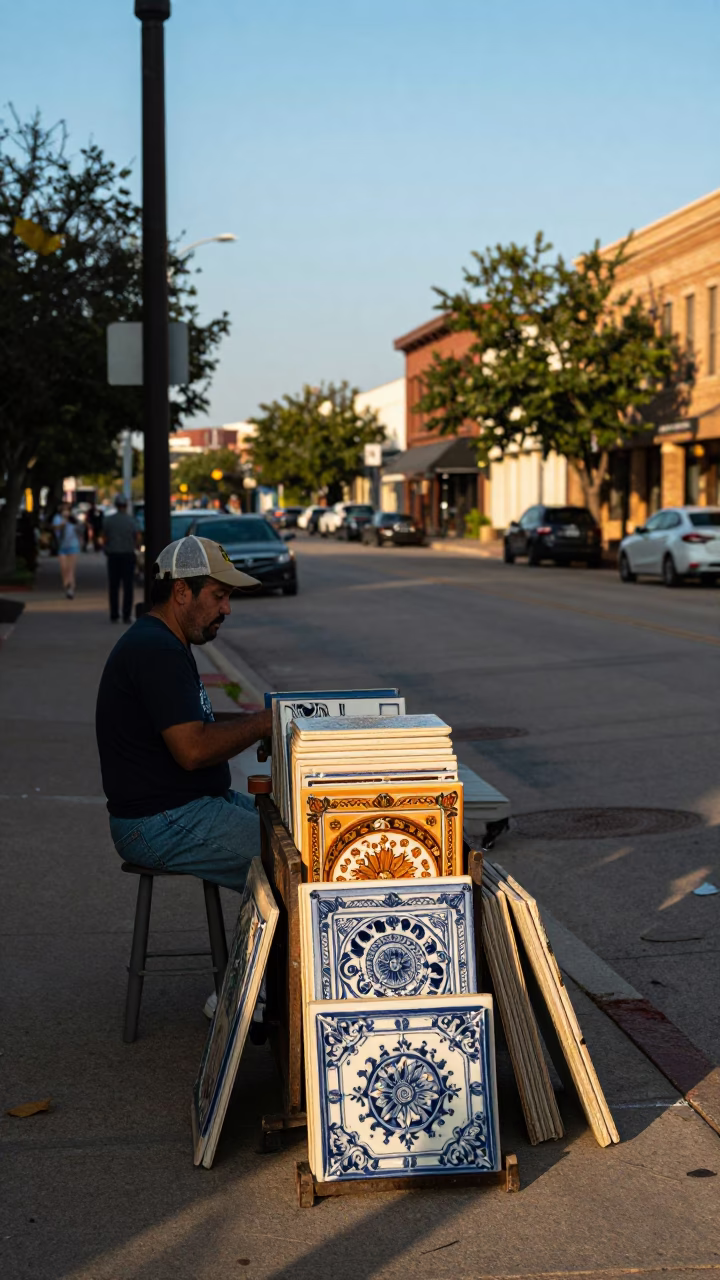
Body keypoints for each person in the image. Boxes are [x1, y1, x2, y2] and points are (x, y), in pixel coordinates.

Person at [95, 534, 271, 898]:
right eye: (218, 596)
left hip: (189, 804)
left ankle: (273, 951)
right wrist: (261, 723)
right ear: (181, 592)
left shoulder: (166, 641)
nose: (227, 609)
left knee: (296, 829)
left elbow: (190, 723)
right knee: (293, 859)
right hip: (158, 820)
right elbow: (192, 750)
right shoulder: (156, 650)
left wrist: (260, 724)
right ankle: (281, 954)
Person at [103, 495, 139, 623]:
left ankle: (114, 614)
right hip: (128, 555)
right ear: (126, 505)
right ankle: (126, 614)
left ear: (116, 505)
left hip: (113, 555)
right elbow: (137, 537)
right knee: (128, 586)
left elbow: (104, 537)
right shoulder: (131, 521)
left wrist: (106, 548)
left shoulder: (108, 520)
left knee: (114, 586)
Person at [51, 503, 81, 598]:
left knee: (70, 569)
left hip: (73, 546)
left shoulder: (73, 519)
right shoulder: (57, 518)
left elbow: (80, 528)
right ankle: (66, 585)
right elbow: (55, 528)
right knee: (64, 568)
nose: (66, 512)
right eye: (64, 510)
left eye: (67, 510)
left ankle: (71, 588)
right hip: (61, 547)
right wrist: (62, 524)